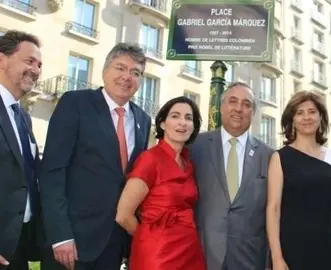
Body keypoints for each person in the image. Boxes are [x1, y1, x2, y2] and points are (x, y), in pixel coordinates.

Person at [39, 43, 151, 270]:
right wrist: (60, 235)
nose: (126, 77)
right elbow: (52, 172)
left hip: (114, 244)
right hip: (72, 242)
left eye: (135, 72)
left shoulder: (143, 120)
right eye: (120, 68)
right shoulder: (75, 103)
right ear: (105, 71)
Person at [189, 82, 274, 270]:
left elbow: (273, 210)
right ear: (221, 106)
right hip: (202, 254)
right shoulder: (195, 147)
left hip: (250, 258)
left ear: (253, 112)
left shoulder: (269, 156)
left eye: (246, 104)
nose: (238, 109)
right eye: (232, 101)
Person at [116, 96, 206, 270]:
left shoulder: (188, 163)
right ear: (163, 123)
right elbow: (123, 216)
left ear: (193, 126)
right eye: (175, 116)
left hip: (189, 250)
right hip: (157, 254)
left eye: (188, 118)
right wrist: (150, 236)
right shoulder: (149, 159)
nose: (182, 122)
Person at [266, 91, 331, 270]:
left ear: (321, 117)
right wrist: (276, 258)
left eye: (312, 112)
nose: (306, 117)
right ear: (292, 120)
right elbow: (273, 208)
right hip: (292, 250)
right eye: (300, 112)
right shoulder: (280, 157)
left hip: (330, 248)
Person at [0, 30, 44, 270]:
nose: (36, 70)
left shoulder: (23, 118)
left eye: (39, 65)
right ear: (1, 60)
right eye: (29, 61)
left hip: (18, 247)